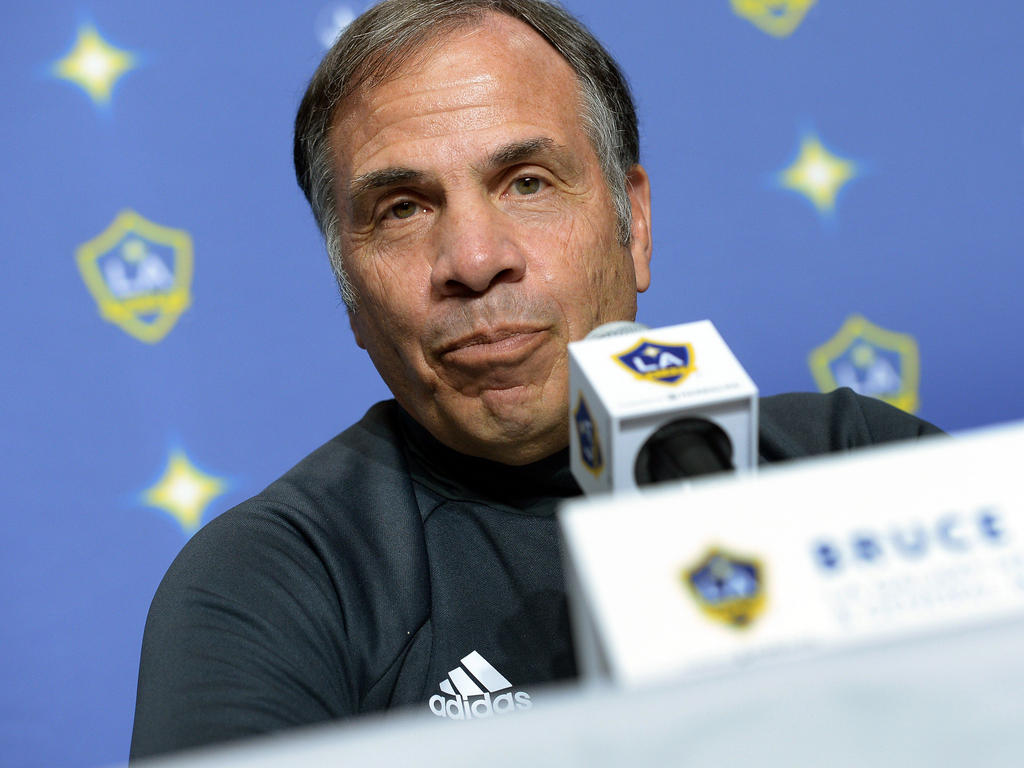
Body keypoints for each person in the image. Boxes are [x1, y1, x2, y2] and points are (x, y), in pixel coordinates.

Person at [129, 0, 941, 758]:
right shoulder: (275, 585)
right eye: (404, 209)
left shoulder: (859, 460)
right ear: (350, 295)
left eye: (528, 183)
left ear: (636, 226)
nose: (476, 261)